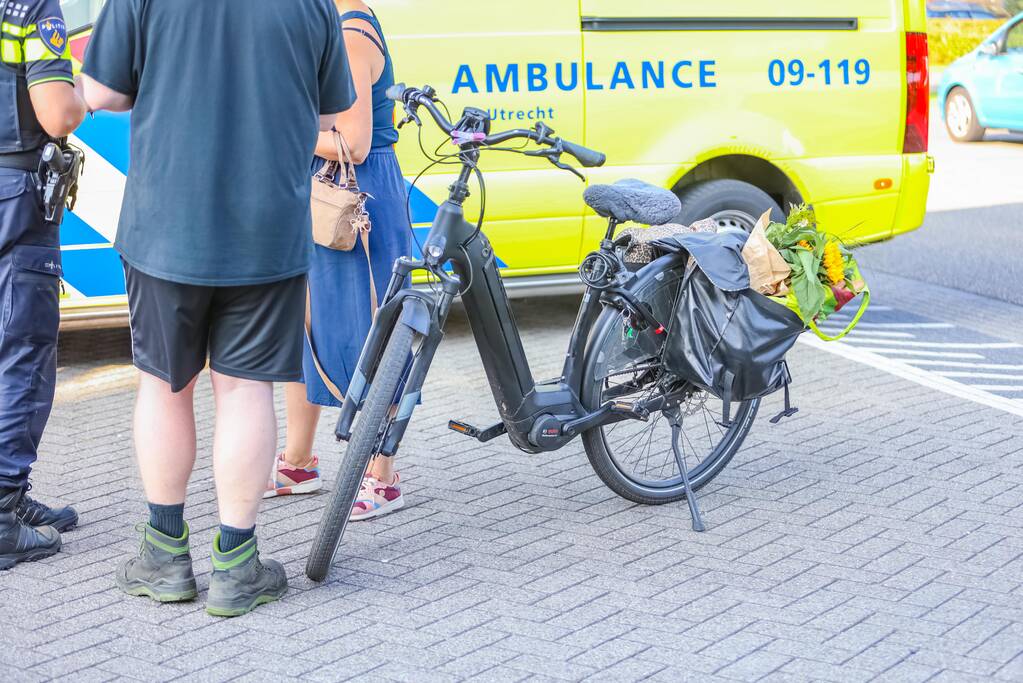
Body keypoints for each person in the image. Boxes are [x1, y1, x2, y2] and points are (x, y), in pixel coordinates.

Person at [78, 0, 355, 615]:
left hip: (165, 228)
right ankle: (236, 564)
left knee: (163, 385)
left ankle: (164, 556)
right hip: (266, 230)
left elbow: (99, 91)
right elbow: (333, 109)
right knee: (246, 390)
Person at [267, 1, 411, 522]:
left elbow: (353, 140)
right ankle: (299, 463)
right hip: (327, 194)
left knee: (367, 331)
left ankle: (382, 476)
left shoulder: (350, 33)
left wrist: (278, 126)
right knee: (304, 327)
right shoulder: (329, 26)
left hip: (357, 199)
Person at [0, 0, 88, 570]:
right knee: (23, 348)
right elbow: (56, 113)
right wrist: (78, 90)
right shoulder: (30, 5)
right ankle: (3, 506)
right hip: (13, 195)